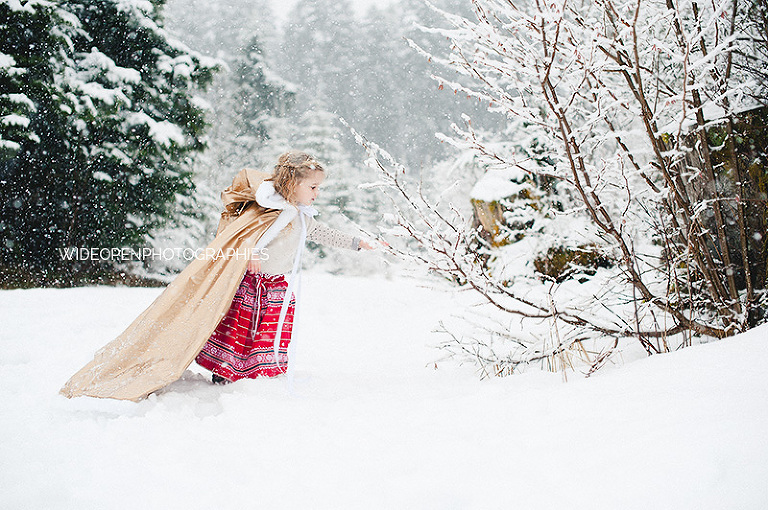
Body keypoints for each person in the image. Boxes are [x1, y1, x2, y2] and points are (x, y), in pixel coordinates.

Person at [60, 151, 374, 401]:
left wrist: (356, 243)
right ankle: (228, 369)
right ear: (293, 185)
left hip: (277, 284)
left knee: (270, 330)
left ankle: (260, 370)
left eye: (319, 187)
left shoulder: (300, 215)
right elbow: (253, 240)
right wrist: (251, 253)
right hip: (256, 284)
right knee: (242, 328)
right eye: (313, 187)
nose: (317, 193)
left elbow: (322, 232)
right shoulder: (281, 213)